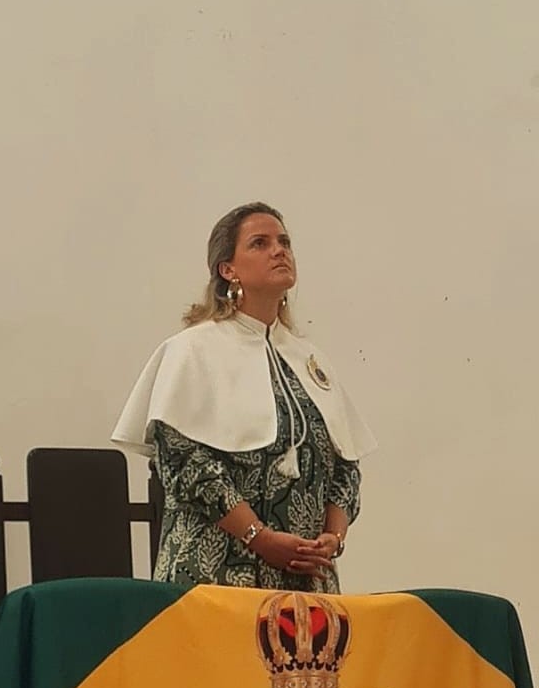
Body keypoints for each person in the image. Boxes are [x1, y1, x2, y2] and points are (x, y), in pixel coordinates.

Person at [113, 203, 376, 592]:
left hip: (306, 580)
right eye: (260, 243)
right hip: (215, 575)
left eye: (284, 241)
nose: (279, 250)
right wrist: (259, 537)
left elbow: (345, 465)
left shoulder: (309, 360)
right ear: (227, 269)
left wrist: (333, 538)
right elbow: (184, 463)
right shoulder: (192, 350)